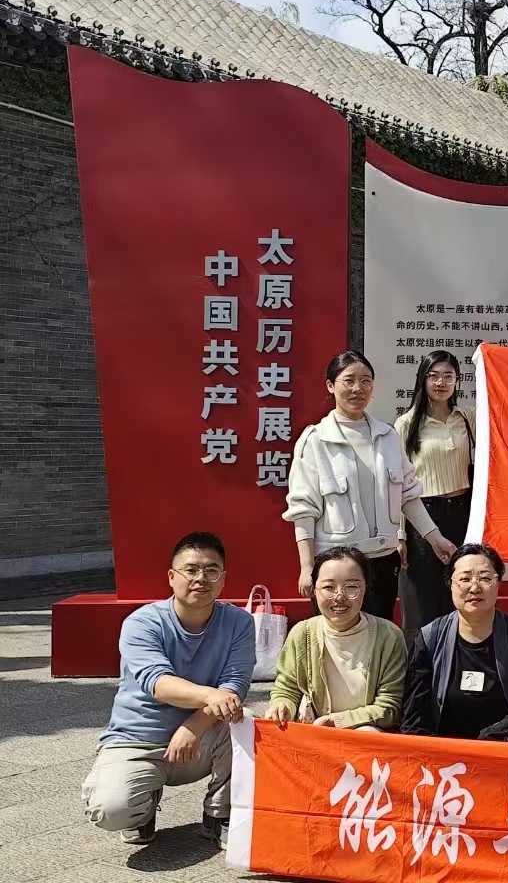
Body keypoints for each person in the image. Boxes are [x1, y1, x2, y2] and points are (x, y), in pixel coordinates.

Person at [81, 532, 255, 849]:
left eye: (211, 570)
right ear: (172, 577)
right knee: (110, 810)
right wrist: (210, 696)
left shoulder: (239, 622)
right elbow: (158, 684)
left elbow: (234, 686)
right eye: (191, 569)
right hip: (139, 739)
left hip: (203, 737)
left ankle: (221, 814)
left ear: (223, 579)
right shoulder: (142, 623)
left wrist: (193, 725)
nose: (201, 578)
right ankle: (143, 806)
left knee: (247, 722)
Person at [285, 349, 455, 620]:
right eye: (349, 380)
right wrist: (306, 567)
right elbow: (303, 508)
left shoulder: (388, 436)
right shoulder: (314, 440)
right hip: (335, 564)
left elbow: (407, 495)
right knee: (338, 637)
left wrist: (435, 539)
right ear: (330, 385)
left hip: (383, 562)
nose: (358, 388)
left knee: (379, 635)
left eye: (366, 381)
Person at [401, 543, 508, 741]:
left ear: (498, 583)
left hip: (505, 747)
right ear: (450, 583)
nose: (474, 588)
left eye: (485, 578)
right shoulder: (430, 638)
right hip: (446, 753)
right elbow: (413, 715)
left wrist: (488, 739)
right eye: (465, 579)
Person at [265, 546, 407, 731]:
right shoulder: (302, 633)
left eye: (351, 587)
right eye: (328, 587)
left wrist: (338, 721)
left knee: (366, 731)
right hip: (314, 733)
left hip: (369, 735)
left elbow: (390, 707)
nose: (339, 597)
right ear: (315, 590)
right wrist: (282, 706)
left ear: (365, 588)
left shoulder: (389, 636)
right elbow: (287, 688)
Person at [395, 351, 476, 641]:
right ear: (423, 379)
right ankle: (421, 660)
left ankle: (457, 655)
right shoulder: (406, 424)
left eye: (448, 376)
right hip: (422, 514)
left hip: (463, 512)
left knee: (462, 587)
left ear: (457, 381)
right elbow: (398, 482)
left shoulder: (467, 418)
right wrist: (400, 535)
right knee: (422, 595)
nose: (441, 383)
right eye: (434, 376)